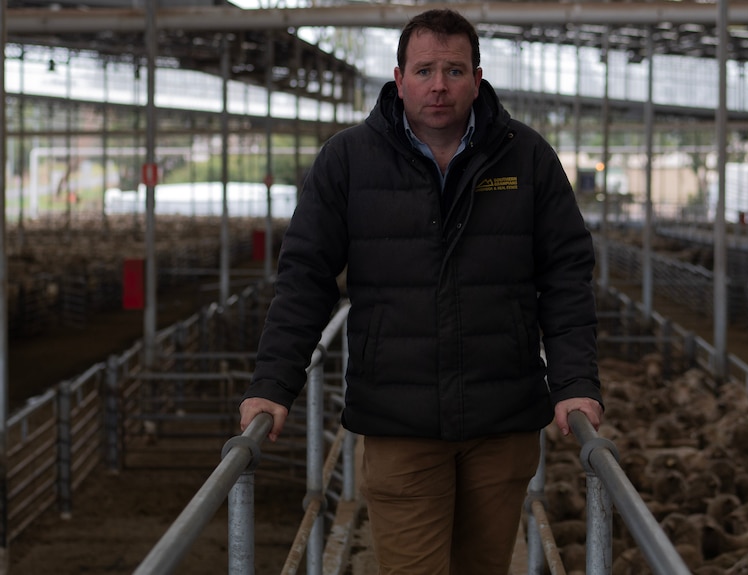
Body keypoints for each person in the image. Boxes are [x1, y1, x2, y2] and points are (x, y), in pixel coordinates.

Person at [240, 8, 603, 574]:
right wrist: (271, 385)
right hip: (398, 421)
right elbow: (305, 278)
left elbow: (566, 276)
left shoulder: (527, 158)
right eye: (425, 70)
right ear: (399, 77)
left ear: (477, 79)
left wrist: (576, 383)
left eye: (455, 71)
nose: (439, 85)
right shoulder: (348, 161)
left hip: (501, 418)